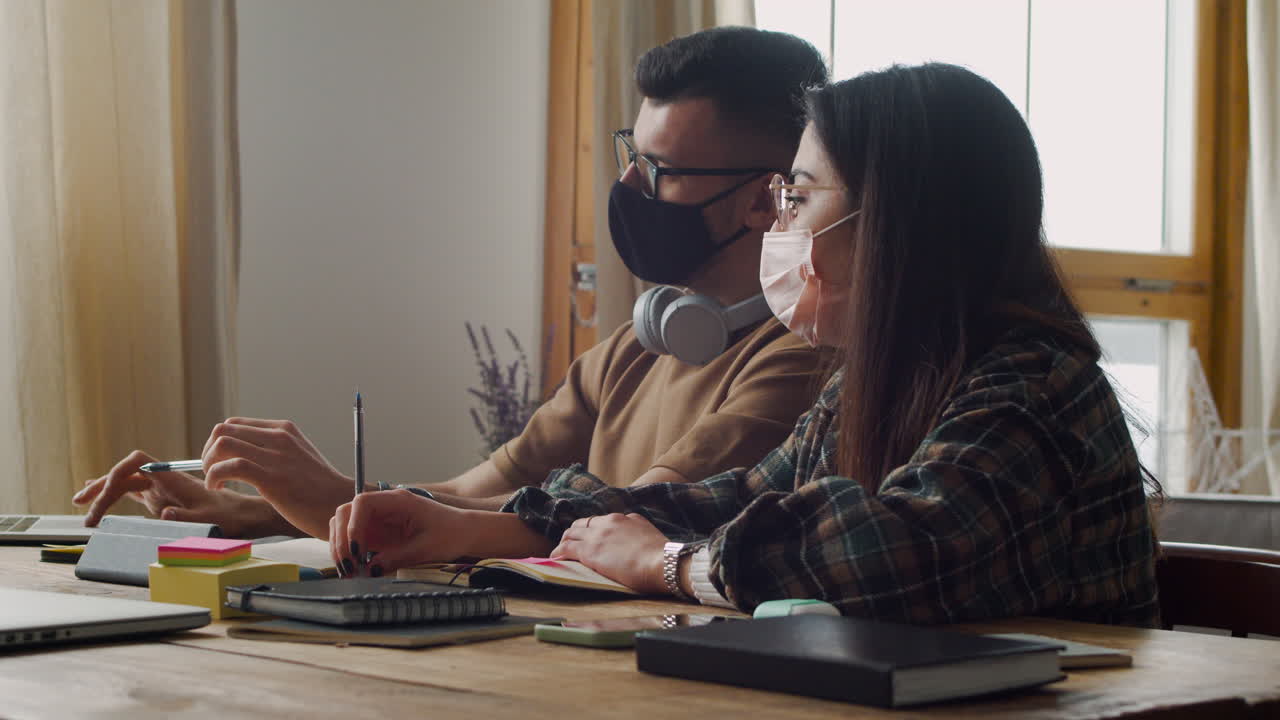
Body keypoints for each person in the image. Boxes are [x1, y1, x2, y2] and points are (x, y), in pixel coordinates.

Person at [326, 63, 1162, 627]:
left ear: (895, 225)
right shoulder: (880, 381)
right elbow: (725, 499)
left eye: (795, 196)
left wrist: (669, 566)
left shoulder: (1030, 386)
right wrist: (471, 531)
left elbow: (894, 552)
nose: (779, 221)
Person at [73, 27, 831, 540]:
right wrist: (251, 510)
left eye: (659, 171)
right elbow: (470, 493)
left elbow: (635, 514)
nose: (628, 182)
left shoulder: (800, 362)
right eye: (631, 151)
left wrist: (339, 498)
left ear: (766, 198)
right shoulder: (634, 349)